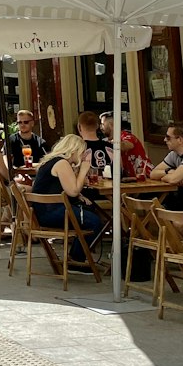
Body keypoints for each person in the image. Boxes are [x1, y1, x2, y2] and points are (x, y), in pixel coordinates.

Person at [30, 134, 106, 265]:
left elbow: (60, 187)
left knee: (90, 216)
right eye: (82, 152)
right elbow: (73, 190)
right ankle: (76, 259)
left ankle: (76, 257)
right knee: (95, 222)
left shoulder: (51, 162)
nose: (83, 156)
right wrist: (83, 170)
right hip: (51, 213)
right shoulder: (61, 163)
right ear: (74, 150)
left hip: (41, 212)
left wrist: (78, 195)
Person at [150, 122, 183, 209]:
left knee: (177, 221)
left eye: (168, 137)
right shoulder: (174, 154)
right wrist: (169, 171)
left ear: (180, 140)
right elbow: (153, 174)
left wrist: (167, 176)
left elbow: (173, 179)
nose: (164, 140)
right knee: (162, 211)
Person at [99, 112, 152, 181]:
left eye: (103, 124)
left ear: (111, 125)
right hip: (128, 180)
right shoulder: (106, 141)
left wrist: (108, 144)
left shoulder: (127, 136)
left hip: (145, 178)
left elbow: (126, 145)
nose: (101, 127)